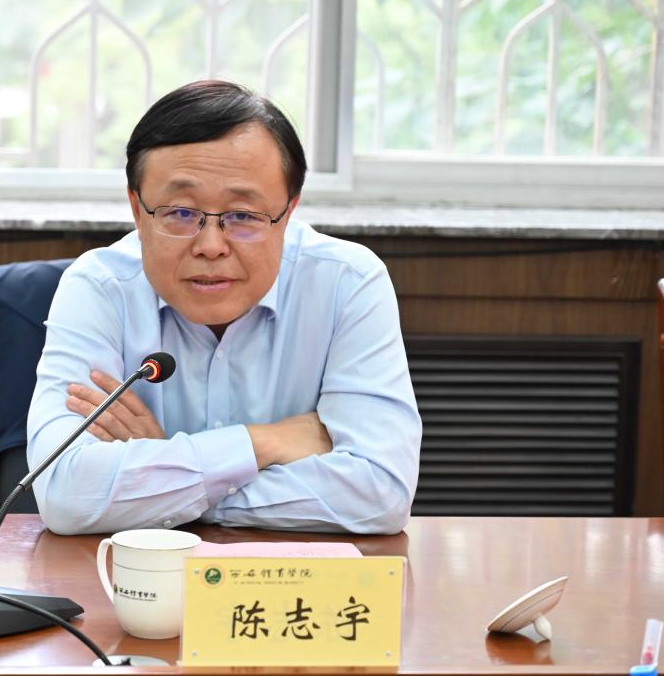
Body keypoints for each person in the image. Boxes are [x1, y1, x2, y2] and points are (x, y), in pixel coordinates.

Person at [27, 80, 421, 535]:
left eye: (244, 216)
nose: (211, 246)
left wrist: (163, 478)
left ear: (289, 211)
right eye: (180, 212)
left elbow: (380, 493)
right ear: (137, 209)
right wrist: (262, 443)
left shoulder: (346, 283)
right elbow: (64, 493)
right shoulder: (99, 288)